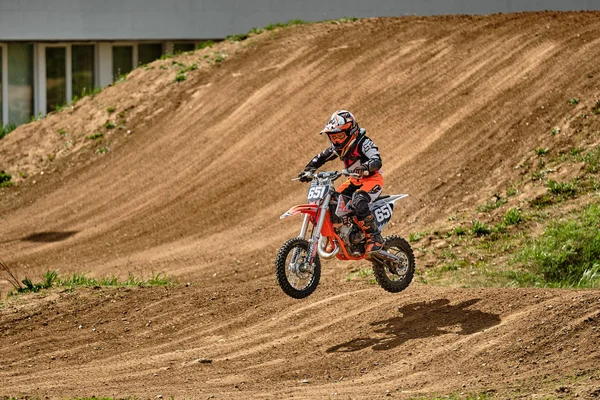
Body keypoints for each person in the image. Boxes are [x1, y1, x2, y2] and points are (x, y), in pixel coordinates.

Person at [298, 110, 384, 258]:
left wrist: (365, 167)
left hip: (372, 180)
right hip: (353, 180)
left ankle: (374, 238)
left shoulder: (363, 143)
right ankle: (345, 235)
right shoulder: (338, 148)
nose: (336, 140)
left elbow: (376, 160)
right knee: (334, 201)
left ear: (351, 132)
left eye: (340, 136)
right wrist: (308, 170)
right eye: (333, 137)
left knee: (358, 201)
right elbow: (321, 157)